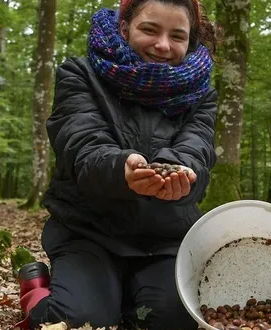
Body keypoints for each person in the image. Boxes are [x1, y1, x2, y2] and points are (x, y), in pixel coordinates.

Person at [15, 0, 218, 329]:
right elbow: (80, 143)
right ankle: (36, 293)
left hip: (164, 239)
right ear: (125, 29)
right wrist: (120, 167)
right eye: (149, 30)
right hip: (87, 232)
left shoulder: (202, 95)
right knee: (77, 320)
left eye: (177, 36)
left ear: (190, 40)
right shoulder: (80, 74)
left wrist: (175, 170)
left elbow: (197, 148)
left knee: (176, 320)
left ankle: (116, 296)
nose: (163, 45)